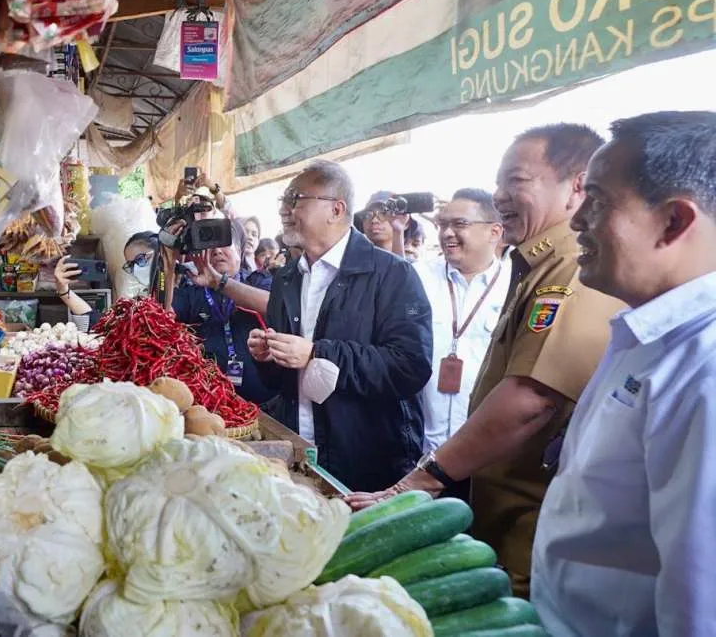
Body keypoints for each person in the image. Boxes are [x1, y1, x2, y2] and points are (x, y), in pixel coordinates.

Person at [347, 123, 624, 598]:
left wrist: (422, 480)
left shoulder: (571, 265)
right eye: (499, 182)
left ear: (576, 185)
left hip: (535, 526)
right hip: (492, 504)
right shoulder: (534, 262)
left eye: (517, 180)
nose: (501, 194)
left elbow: (534, 397)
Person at [532, 111, 716, 635]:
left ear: (674, 221)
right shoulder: (646, 335)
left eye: (599, 201)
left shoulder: (705, 369)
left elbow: (698, 610)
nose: (575, 221)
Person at [247, 161, 433, 492]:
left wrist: (318, 353)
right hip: (299, 453)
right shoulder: (287, 278)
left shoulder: (391, 274)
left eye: (297, 198)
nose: (286, 210)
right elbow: (285, 381)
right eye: (286, 200)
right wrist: (269, 357)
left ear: (336, 209)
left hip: (366, 464)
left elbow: (410, 366)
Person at [414, 189, 509, 466]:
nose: (447, 233)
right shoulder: (417, 278)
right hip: (418, 451)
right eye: (443, 224)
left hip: (483, 456)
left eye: (460, 224)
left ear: (494, 231)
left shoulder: (516, 287)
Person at [163, 222, 277, 406]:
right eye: (208, 246)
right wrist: (168, 265)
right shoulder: (192, 292)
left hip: (267, 406)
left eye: (224, 242)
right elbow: (162, 318)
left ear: (240, 251)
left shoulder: (259, 281)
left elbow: (272, 305)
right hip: (209, 404)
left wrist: (219, 282)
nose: (216, 251)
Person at [358, 190, 418, 258]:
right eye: (367, 215)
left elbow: (397, 266)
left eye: (383, 213)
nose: (374, 220)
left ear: (406, 224)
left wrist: (398, 232)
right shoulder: (351, 261)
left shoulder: (415, 266)